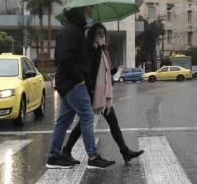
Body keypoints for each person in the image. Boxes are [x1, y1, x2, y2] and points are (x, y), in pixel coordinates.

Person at [61, 23, 144, 164]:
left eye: (103, 34)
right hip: (94, 93)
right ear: (93, 37)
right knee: (84, 124)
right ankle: (67, 151)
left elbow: (103, 72)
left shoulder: (104, 52)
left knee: (111, 123)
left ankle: (125, 151)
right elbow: (91, 71)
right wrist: (95, 47)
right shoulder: (92, 50)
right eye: (99, 34)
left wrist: (115, 70)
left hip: (102, 95)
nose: (102, 37)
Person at [47, 6, 115, 170]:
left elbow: (78, 57)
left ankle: (55, 156)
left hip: (68, 83)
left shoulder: (74, 31)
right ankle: (92, 157)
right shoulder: (71, 32)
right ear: (79, 14)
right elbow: (64, 60)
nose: (89, 16)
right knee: (86, 116)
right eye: (87, 13)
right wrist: (79, 79)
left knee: (63, 121)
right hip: (73, 84)